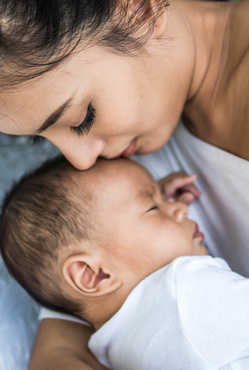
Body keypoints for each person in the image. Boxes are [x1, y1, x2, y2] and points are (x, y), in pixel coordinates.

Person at [0, 0, 248, 368]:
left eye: (82, 119)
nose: (80, 161)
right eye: (42, 138)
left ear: (140, 10)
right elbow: (58, 353)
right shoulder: (116, 179)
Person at [2, 157, 249, 369]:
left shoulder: (115, 353)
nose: (180, 209)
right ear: (94, 275)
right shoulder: (186, 290)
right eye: (153, 207)